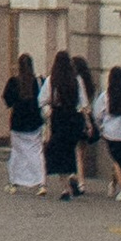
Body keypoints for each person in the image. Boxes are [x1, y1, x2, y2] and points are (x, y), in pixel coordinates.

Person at [1, 50, 45, 195]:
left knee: (17, 152)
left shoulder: (14, 82)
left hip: (18, 122)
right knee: (36, 152)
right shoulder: (38, 82)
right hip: (35, 122)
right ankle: (40, 183)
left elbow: (7, 100)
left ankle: (14, 182)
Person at [95, 58, 121, 203]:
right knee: (120, 162)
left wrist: (100, 125)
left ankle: (115, 183)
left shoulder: (105, 96)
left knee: (117, 161)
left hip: (111, 133)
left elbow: (98, 114)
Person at [44, 52, 85, 200]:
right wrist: (85, 120)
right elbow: (83, 102)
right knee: (70, 149)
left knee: (58, 151)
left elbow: (42, 100)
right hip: (73, 117)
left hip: (59, 117)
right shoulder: (76, 80)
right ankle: (72, 176)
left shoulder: (51, 80)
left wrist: (48, 112)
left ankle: (65, 188)